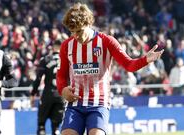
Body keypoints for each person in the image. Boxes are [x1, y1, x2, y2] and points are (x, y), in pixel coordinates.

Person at [56, 3, 164, 135]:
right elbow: (61, 75)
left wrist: (145, 59)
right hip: (75, 104)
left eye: (79, 31)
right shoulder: (67, 46)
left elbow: (129, 65)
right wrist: (63, 90)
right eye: (72, 32)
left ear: (88, 23)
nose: (75, 36)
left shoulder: (107, 41)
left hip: (98, 104)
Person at [30, 40, 65, 135]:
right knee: (56, 128)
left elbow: (38, 78)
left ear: (53, 48)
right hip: (61, 96)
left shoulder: (46, 59)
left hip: (48, 95)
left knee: (41, 125)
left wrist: (33, 93)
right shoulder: (66, 59)